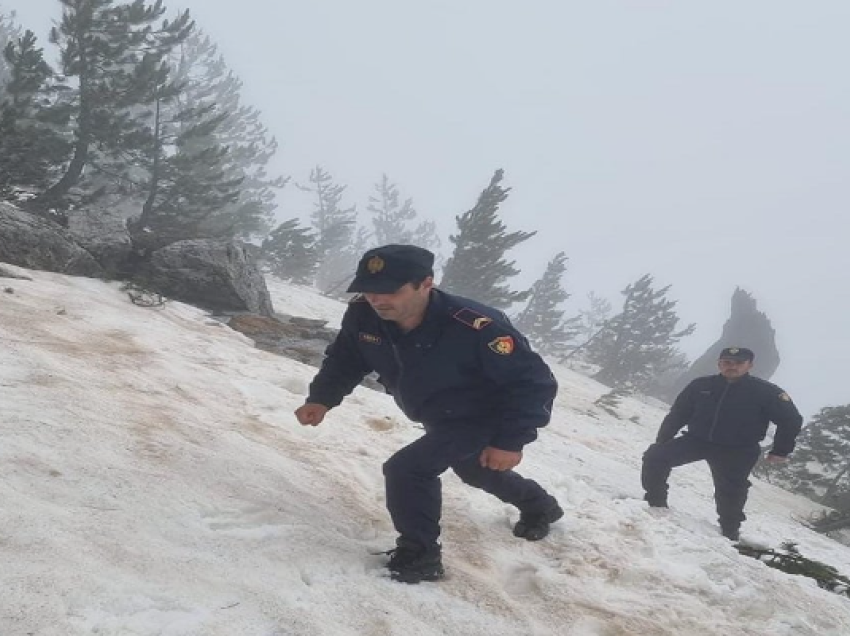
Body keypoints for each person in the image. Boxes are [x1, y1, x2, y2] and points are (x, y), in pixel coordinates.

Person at [295, 244, 562, 584]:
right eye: (369, 290)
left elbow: (533, 384)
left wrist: (511, 441)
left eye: (390, 290)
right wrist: (322, 398)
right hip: (438, 413)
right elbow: (347, 358)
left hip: (484, 415)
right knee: (475, 469)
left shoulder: (479, 328)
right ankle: (542, 506)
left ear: (426, 284)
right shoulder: (364, 314)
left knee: (408, 469)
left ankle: (419, 557)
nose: (377, 299)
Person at [641, 346, 804, 541]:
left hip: (738, 450)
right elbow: (679, 413)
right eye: (727, 362)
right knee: (655, 456)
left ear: (749, 365)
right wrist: (664, 439)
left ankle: (730, 531)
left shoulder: (766, 392)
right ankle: (656, 503)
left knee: (731, 492)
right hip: (697, 440)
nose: (732, 366)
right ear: (719, 363)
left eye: (738, 363)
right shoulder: (700, 385)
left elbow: (791, 420)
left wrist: (781, 450)